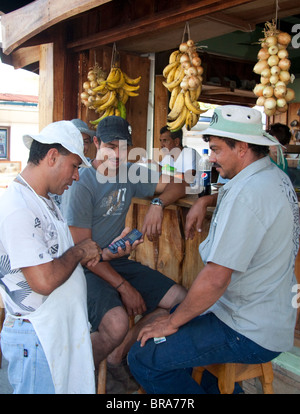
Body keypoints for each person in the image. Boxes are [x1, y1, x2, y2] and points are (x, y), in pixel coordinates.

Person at [128, 105, 299, 394]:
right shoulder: (271, 178)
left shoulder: (249, 194)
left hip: (247, 328)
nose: (212, 157)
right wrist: (205, 200)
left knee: (144, 356)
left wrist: (172, 323)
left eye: (217, 150)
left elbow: (216, 278)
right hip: (264, 316)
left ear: (242, 148)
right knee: (177, 343)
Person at [0, 121, 136, 394]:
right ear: (52, 156)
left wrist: (103, 253)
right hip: (37, 337)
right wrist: (80, 250)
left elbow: (59, 258)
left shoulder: (44, 200)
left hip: (54, 333)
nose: (76, 176)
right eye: (74, 166)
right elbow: (43, 280)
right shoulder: (18, 207)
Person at [60, 116, 187, 393]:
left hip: (115, 261)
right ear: (95, 143)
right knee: (115, 323)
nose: (117, 155)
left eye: (124, 147)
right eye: (110, 146)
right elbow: (84, 255)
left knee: (179, 300)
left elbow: (181, 184)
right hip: (84, 268)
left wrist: (157, 202)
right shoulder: (82, 183)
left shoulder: (131, 172)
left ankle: (119, 358)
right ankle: (74, 379)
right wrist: (124, 287)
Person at [51, 118, 95, 208]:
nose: (81, 145)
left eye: (85, 142)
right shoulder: (54, 169)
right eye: (77, 139)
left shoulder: (92, 169)